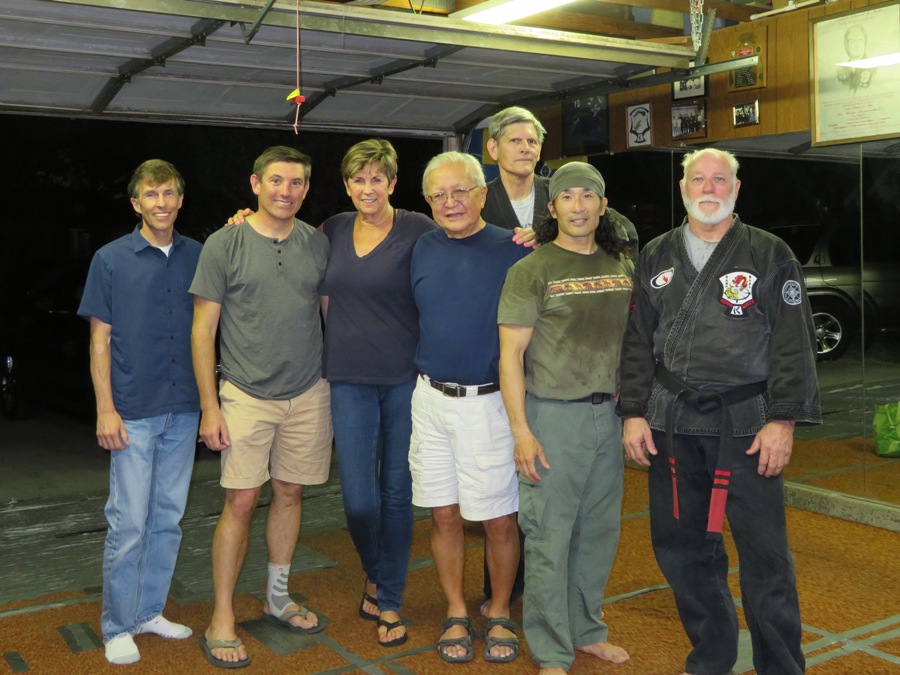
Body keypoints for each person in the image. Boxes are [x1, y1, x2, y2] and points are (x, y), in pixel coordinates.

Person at [618, 148, 822, 675]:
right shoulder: (656, 254)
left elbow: (793, 345)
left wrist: (784, 420)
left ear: (736, 188)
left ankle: (780, 665)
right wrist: (634, 412)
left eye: (720, 179)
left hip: (748, 424)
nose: (709, 188)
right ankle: (711, 658)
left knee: (764, 555)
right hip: (672, 423)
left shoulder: (769, 253)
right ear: (683, 188)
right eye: (698, 179)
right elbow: (637, 341)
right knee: (683, 550)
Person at [190, 146, 333, 669]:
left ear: (305, 189)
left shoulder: (317, 243)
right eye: (276, 181)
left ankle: (277, 596)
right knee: (242, 502)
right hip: (245, 395)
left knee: (290, 494)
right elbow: (202, 331)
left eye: (296, 184)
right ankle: (221, 617)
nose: (285, 192)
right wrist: (210, 406)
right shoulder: (223, 244)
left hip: (309, 393)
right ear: (255, 184)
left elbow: (331, 317)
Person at [498, 162, 635, 674]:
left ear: (602, 205)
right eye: (567, 198)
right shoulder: (531, 270)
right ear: (550, 208)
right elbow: (509, 357)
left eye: (588, 196)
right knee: (550, 537)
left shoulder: (620, 267)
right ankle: (552, 649)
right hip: (552, 419)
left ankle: (586, 630)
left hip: (609, 416)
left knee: (598, 533)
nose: (578, 206)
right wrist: (521, 432)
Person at [78, 159, 202, 665]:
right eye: (151, 195)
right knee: (128, 522)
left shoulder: (201, 254)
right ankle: (116, 625)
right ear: (136, 203)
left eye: (170, 193)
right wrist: (105, 409)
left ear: (179, 199)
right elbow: (99, 340)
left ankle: (150, 610)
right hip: (132, 411)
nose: (162, 203)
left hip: (186, 408)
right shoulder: (110, 259)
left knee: (167, 519)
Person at [409, 151, 529, 664]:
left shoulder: (517, 250)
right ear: (428, 201)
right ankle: (456, 610)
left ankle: (499, 610)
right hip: (429, 399)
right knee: (443, 514)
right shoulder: (418, 247)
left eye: (461, 191)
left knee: (500, 519)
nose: (451, 202)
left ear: (483, 193)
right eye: (439, 194)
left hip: (491, 405)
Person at [320, 139, 436, 647]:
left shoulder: (419, 229)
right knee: (359, 499)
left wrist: (520, 238)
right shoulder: (332, 229)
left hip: (404, 380)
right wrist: (239, 222)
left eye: (377, 179)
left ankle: (389, 598)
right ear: (347, 185)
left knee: (396, 493)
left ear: (392, 182)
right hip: (346, 378)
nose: (367, 188)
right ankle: (375, 569)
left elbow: (464, 246)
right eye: (358, 179)